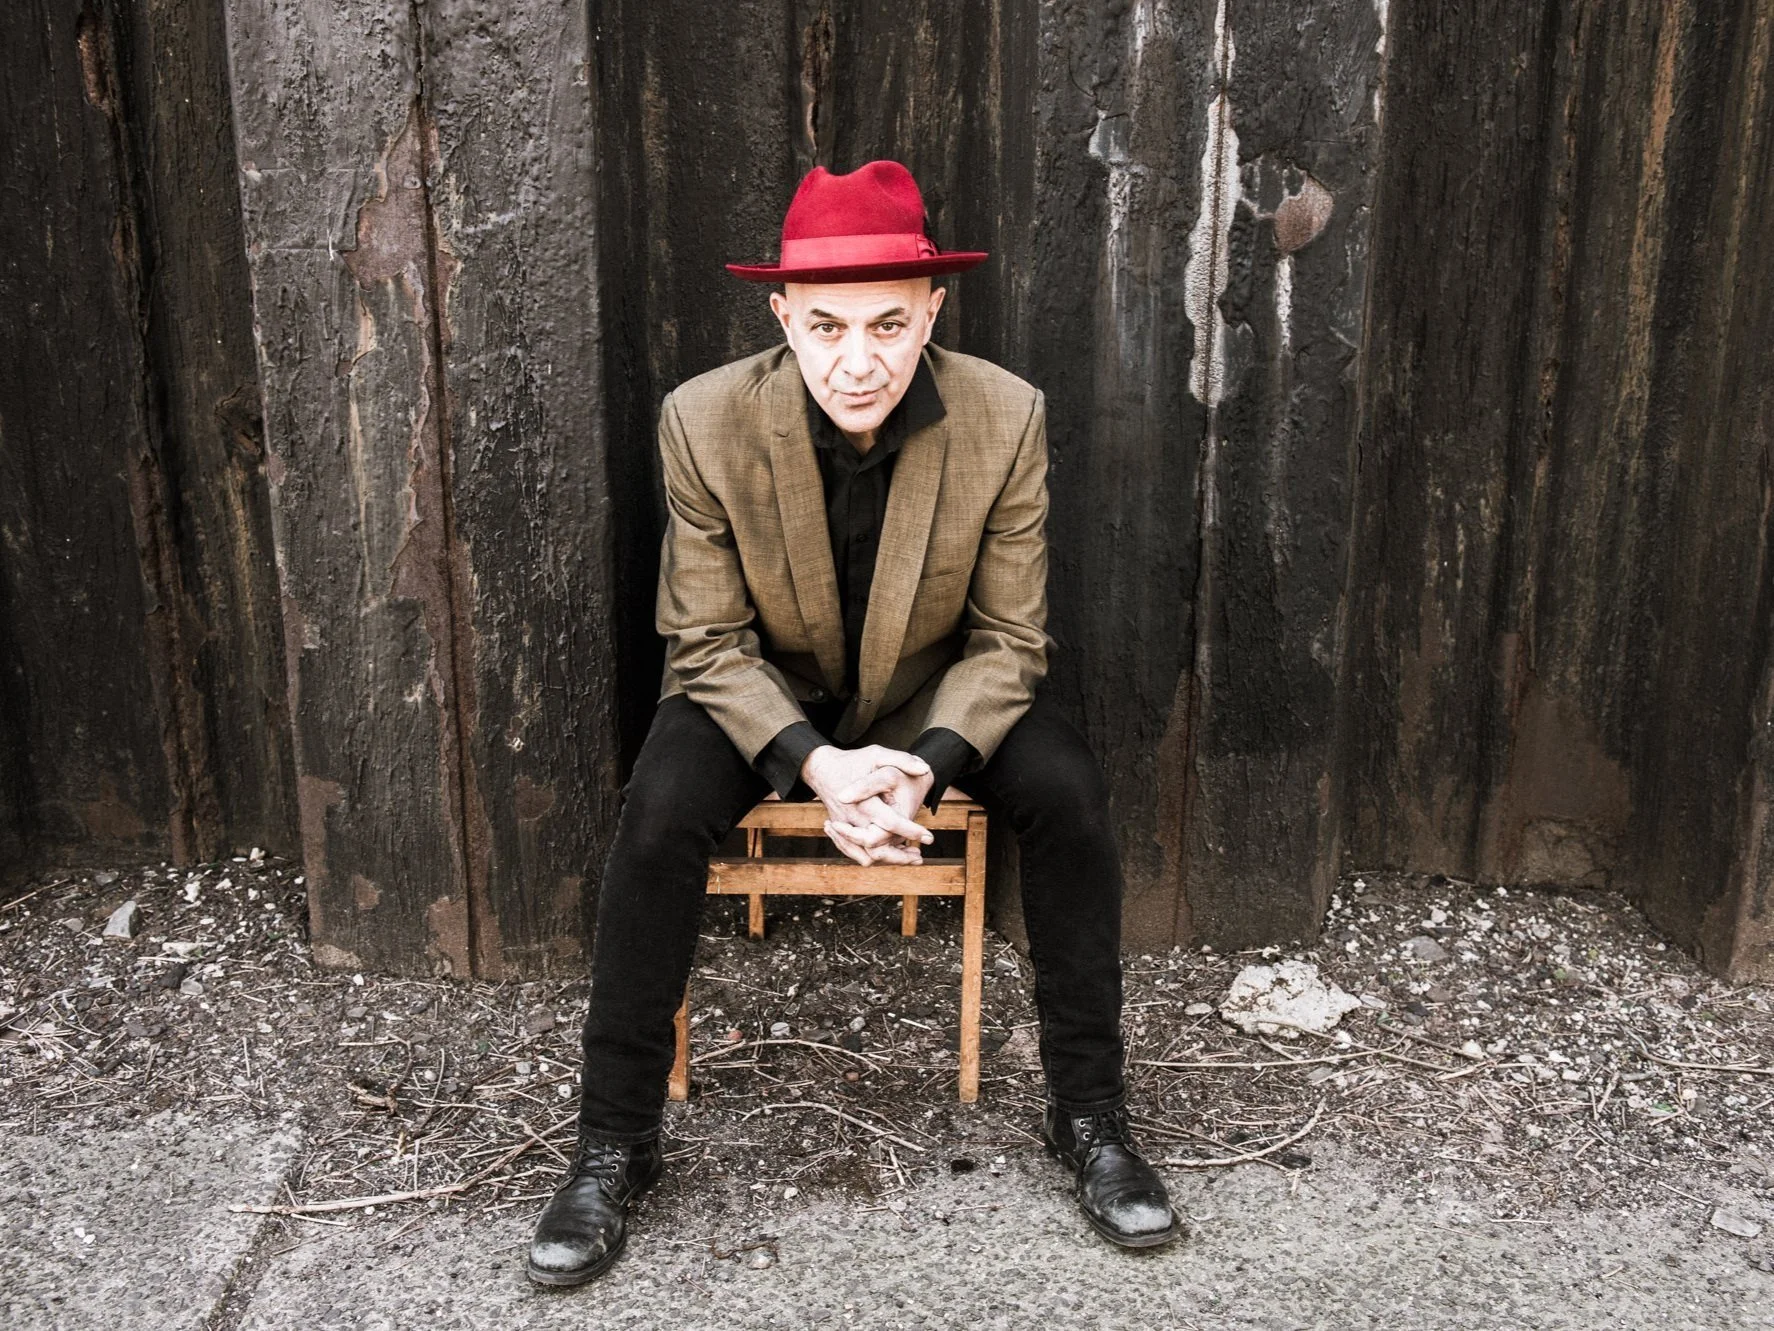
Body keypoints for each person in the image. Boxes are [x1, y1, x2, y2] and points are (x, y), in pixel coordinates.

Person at [527, 160, 1178, 1287]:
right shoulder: (702, 419)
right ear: (784, 319)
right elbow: (703, 641)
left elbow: (1010, 639)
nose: (857, 359)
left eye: (888, 323)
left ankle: (1091, 1116)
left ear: (931, 313)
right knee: (659, 810)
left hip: (936, 688)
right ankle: (614, 1141)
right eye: (826, 326)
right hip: (762, 693)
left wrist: (925, 767)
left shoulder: (1006, 414)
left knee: (1069, 791)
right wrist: (815, 763)